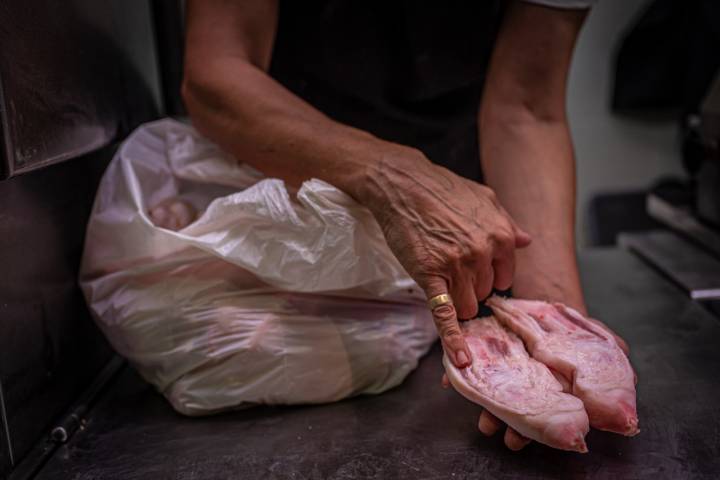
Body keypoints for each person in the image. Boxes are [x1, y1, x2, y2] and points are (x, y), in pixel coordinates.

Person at [182, 0, 595, 450]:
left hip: (461, 226)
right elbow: (216, 76)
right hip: (282, 193)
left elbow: (526, 109)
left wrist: (558, 324)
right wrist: (390, 175)